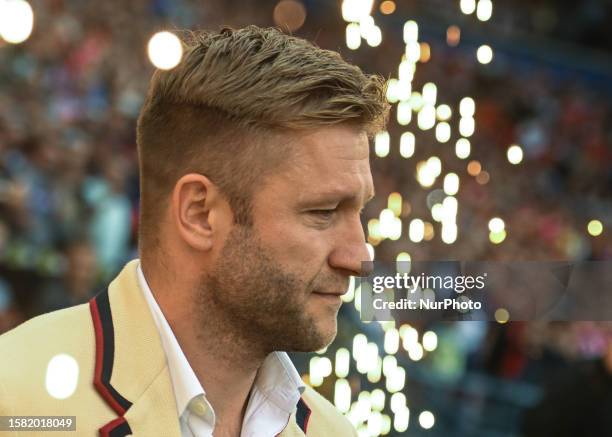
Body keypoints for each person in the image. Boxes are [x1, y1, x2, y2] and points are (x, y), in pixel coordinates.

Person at [0, 26, 388, 436]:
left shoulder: (336, 431)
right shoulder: (15, 403)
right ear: (199, 213)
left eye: (359, 210)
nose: (359, 257)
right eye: (323, 212)